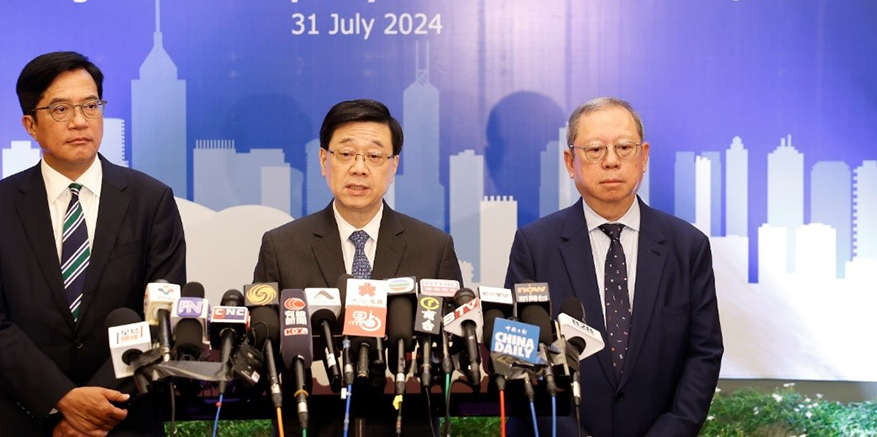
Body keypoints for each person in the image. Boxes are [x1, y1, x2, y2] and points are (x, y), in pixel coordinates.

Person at [0, 51, 186, 437]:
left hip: (121, 415)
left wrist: (94, 406)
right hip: (23, 416)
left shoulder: (151, 200)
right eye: (61, 109)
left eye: (90, 105)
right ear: (30, 124)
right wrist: (62, 399)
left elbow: (159, 316)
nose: (80, 121)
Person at [505, 97, 723, 437]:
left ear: (644, 156)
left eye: (624, 148)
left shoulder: (687, 246)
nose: (611, 161)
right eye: (594, 150)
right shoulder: (534, 246)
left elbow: (704, 354)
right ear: (569, 161)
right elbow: (520, 356)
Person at [253, 98, 462, 435]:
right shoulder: (282, 246)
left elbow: (450, 354)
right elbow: (268, 355)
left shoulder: (433, 247)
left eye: (375, 156)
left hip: (405, 426)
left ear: (393, 167)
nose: (359, 168)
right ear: (324, 160)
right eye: (346, 154)